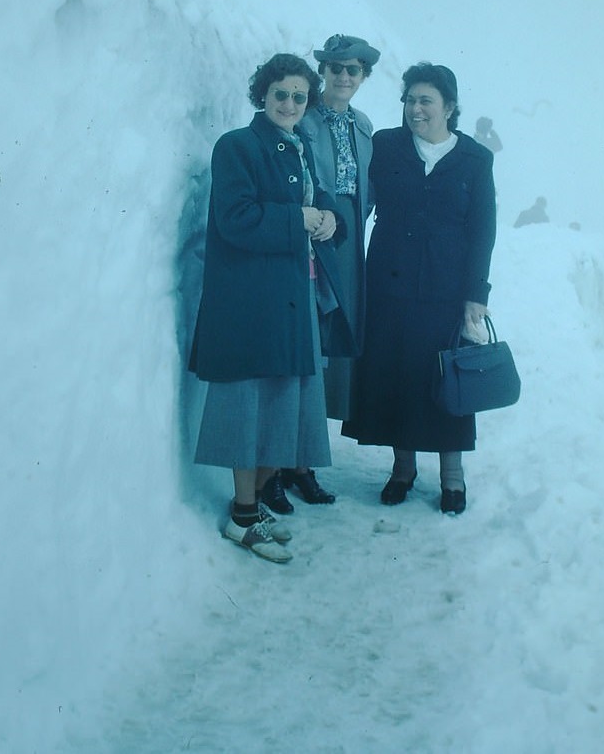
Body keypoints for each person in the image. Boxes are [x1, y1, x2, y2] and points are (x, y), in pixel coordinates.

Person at [188, 53, 354, 561]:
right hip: (250, 299)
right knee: (249, 401)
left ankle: (254, 502)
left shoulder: (300, 146)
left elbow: (323, 204)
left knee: (284, 401)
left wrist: (330, 221)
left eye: (299, 96)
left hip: (292, 296)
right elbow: (236, 219)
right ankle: (242, 516)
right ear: (263, 94)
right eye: (280, 93)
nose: (289, 103)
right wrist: (301, 218)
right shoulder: (237, 146)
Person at [342, 62, 497, 514]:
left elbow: (482, 231)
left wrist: (476, 293)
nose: (415, 109)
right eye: (409, 100)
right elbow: (361, 203)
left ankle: (453, 475)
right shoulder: (387, 146)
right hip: (389, 285)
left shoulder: (474, 159)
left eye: (425, 100)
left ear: (449, 106)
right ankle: (403, 469)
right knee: (395, 374)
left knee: (447, 377)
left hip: (447, 290)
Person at [267, 34, 380, 510]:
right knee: (304, 347)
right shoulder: (302, 118)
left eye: (352, 69)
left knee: (328, 353)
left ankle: (301, 461)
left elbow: (365, 191)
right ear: (323, 73)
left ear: (362, 77)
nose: (343, 77)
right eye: (335, 68)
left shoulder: (363, 125)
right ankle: (280, 465)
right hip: (314, 239)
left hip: (346, 242)